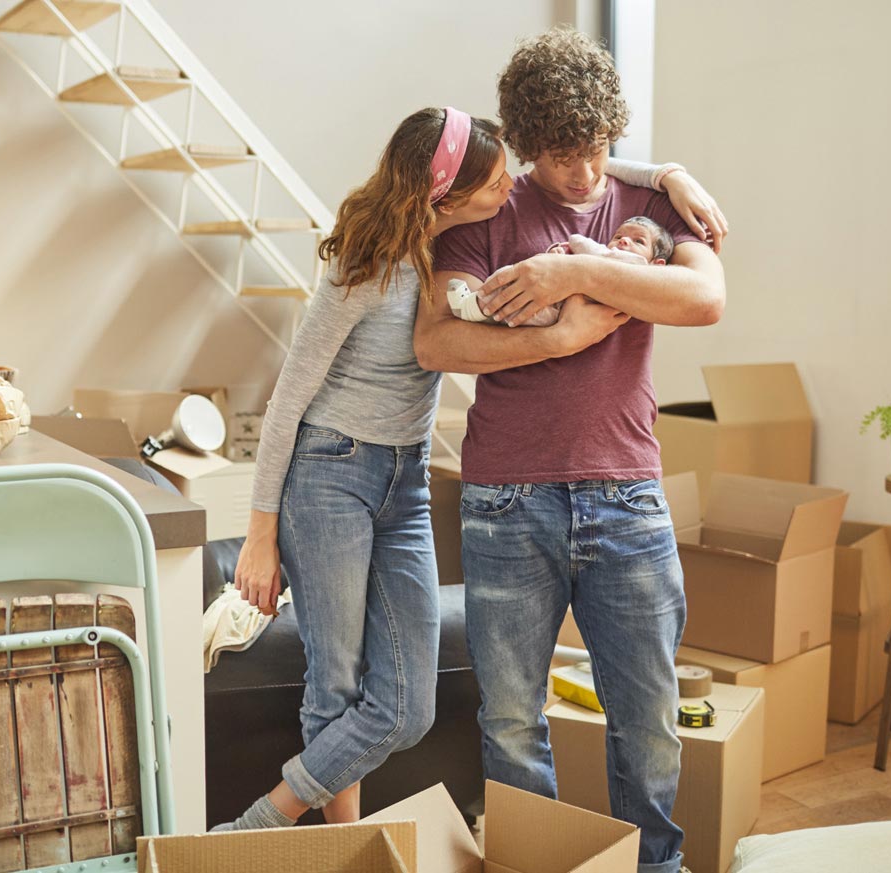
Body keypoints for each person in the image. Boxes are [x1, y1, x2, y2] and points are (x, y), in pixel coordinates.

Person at [219, 105, 725, 832]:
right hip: (330, 470)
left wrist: (664, 174)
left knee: (407, 706)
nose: (510, 189)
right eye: (493, 183)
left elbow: (577, 166)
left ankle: (274, 816)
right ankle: (317, 842)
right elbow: (289, 399)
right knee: (334, 683)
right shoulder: (365, 266)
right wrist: (259, 533)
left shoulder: (454, 244)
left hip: (408, 482)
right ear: (443, 193)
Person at [415, 28, 727, 873]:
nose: (583, 176)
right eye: (560, 158)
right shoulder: (488, 212)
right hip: (505, 502)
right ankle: (534, 862)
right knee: (512, 721)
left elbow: (703, 298)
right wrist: (558, 338)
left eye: (595, 153)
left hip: (627, 495)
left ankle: (652, 866)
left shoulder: (650, 207)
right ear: (525, 144)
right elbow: (437, 344)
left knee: (650, 716)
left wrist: (568, 276)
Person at [448, 216, 674, 324]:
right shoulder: (608, 257)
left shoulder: (636, 267)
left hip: (560, 310)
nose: (624, 241)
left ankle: (473, 308)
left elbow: (588, 251)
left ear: (657, 264)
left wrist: (574, 243)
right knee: (515, 279)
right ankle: (475, 306)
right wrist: (559, 253)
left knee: (520, 303)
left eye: (639, 241)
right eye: (618, 236)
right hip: (558, 302)